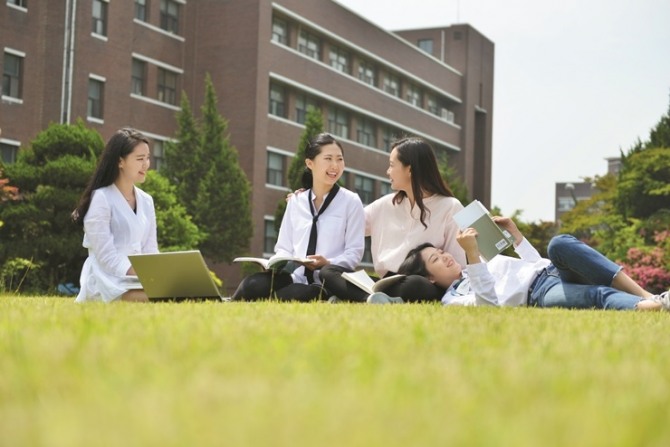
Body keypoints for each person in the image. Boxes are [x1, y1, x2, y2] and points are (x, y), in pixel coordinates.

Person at [392, 216, 670, 310]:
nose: (445, 256)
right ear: (428, 278)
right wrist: (473, 255)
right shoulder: (452, 300)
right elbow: (488, 304)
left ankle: (648, 295)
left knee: (559, 243)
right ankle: (651, 305)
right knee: (596, 295)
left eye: (441, 251)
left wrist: (515, 234)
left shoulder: (474, 269)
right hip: (539, 293)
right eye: (435, 259)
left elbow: (534, 265)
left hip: (548, 271)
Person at [320, 137, 466, 302]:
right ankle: (372, 299)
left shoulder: (450, 207)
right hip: (384, 284)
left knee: (415, 283)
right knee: (328, 272)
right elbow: (344, 224)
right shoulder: (384, 205)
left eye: (391, 165)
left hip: (422, 286)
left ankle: (357, 297)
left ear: (409, 169)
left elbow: (458, 268)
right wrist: (311, 198)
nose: (388, 172)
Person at [231, 133, 365, 302]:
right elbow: (284, 247)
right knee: (251, 284)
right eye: (328, 159)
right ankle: (226, 305)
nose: (335, 166)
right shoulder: (296, 202)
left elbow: (354, 252)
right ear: (310, 163)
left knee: (294, 294)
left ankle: (333, 298)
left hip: (329, 279)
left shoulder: (351, 201)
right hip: (298, 276)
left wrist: (328, 262)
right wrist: (276, 263)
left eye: (339, 159)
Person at [72, 128, 157, 303]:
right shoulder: (101, 198)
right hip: (106, 281)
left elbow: (150, 250)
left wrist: (157, 275)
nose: (146, 164)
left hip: (139, 279)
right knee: (160, 298)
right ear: (120, 161)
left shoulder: (146, 201)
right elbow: (106, 256)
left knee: (178, 293)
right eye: (140, 159)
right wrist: (140, 272)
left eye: (147, 158)